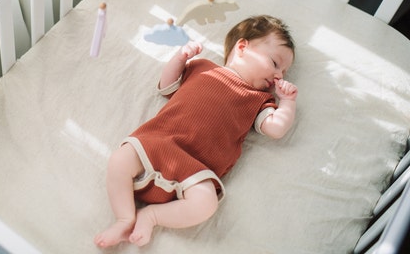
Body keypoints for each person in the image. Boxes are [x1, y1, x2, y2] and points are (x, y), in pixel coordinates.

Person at [94, 15, 298, 248]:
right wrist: (180, 58)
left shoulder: (260, 100)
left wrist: (287, 102)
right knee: (120, 159)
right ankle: (124, 218)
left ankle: (151, 216)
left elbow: (276, 128)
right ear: (242, 47)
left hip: (195, 167)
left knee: (207, 203)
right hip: (158, 141)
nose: (279, 75)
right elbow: (166, 86)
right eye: (275, 63)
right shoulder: (202, 67)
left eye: (284, 71)